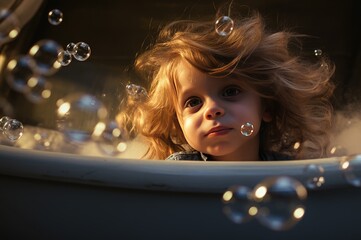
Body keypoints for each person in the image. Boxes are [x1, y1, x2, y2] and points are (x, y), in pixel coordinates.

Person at [120, 8, 335, 161]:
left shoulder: (287, 170)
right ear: (177, 122)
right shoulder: (178, 171)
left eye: (230, 91)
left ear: (267, 107)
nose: (212, 109)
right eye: (193, 102)